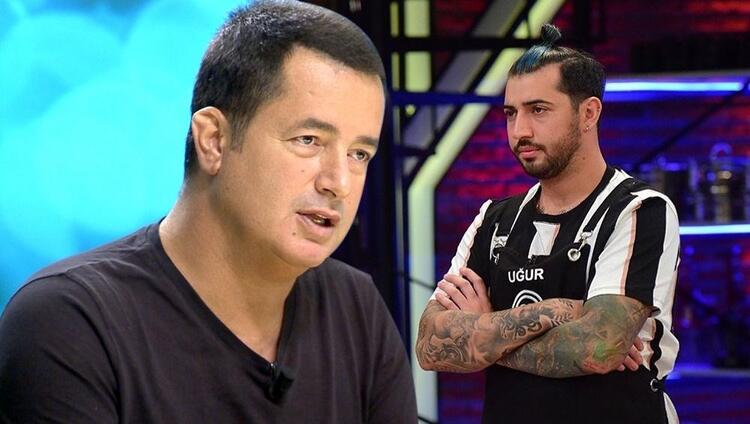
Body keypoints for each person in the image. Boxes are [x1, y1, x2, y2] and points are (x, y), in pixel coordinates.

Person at [0, 2, 417, 423]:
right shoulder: (69, 321)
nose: (339, 182)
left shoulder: (356, 309)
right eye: (308, 140)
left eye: (359, 154)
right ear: (214, 140)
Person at [415, 24, 680, 423]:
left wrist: (483, 334)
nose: (520, 131)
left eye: (538, 110)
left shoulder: (640, 210)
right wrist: (563, 311)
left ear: (588, 113)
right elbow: (430, 346)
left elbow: (597, 349)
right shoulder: (493, 219)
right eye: (511, 113)